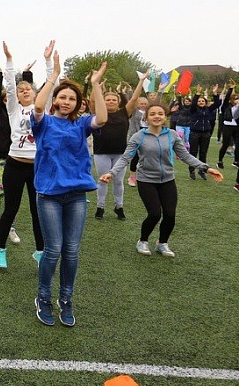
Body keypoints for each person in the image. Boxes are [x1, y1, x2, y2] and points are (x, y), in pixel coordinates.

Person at [31, 54, 107, 326]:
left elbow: (102, 117)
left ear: (77, 104)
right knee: (53, 249)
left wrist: (96, 84)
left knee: (72, 250)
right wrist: (54, 75)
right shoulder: (43, 123)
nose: (66, 102)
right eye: (62, 97)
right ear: (55, 100)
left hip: (76, 196)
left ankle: (66, 299)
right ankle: (43, 297)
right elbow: (39, 105)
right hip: (49, 195)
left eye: (72, 99)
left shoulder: (81, 124)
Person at [101, 102, 223, 258]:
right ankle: (143, 241)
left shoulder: (171, 134)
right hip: (146, 180)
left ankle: (162, 243)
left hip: (167, 180)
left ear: (165, 117)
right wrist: (111, 173)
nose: (156, 116)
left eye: (160, 113)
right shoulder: (138, 136)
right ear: (147, 117)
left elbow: (185, 155)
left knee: (170, 214)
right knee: (154, 213)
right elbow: (126, 157)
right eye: (152, 114)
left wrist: (205, 167)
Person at [0, 41, 55, 269]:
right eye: (21, 89)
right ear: (16, 95)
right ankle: (0, 249)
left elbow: (52, 84)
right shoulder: (13, 109)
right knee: (11, 208)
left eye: (28, 88)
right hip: (15, 165)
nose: (24, 90)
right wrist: (9, 60)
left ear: (36, 92)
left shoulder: (43, 108)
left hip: (38, 167)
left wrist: (48, 61)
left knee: (37, 210)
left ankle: (39, 252)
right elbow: (9, 85)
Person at [91, 78, 146, 220]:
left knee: (118, 181)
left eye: (113, 100)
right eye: (107, 99)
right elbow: (92, 101)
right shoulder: (99, 112)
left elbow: (134, 99)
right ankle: (100, 207)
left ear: (118, 102)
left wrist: (141, 81)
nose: (110, 102)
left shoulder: (124, 112)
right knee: (103, 180)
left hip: (120, 154)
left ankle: (119, 206)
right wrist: (95, 84)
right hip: (101, 152)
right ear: (103, 101)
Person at [188, 85, 221, 180]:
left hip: (206, 133)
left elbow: (218, 104)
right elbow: (193, 104)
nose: (201, 102)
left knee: (203, 153)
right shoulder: (193, 109)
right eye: (199, 101)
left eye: (202, 101)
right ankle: (192, 170)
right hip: (194, 133)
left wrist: (215, 93)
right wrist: (197, 94)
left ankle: (202, 170)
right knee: (193, 152)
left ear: (205, 102)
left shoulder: (208, 109)